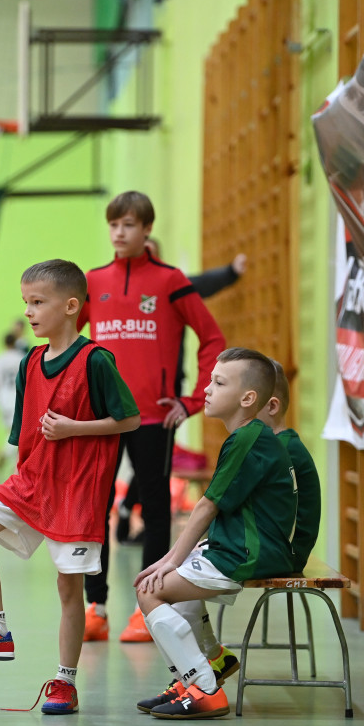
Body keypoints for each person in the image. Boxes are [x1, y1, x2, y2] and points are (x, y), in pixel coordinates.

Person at [0, 259, 140, 715]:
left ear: (70, 306)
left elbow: (129, 419)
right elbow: (24, 435)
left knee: (68, 591)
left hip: (76, 491)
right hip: (32, 482)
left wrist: (74, 428)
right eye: (26, 303)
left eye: (37, 302)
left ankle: (65, 682)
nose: (28, 312)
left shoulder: (96, 361)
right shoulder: (29, 362)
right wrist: (19, 479)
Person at [78, 191, 227, 643]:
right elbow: (67, 339)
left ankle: (148, 609)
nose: (119, 232)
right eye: (113, 224)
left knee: (156, 512)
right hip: (104, 420)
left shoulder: (169, 280)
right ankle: (96, 609)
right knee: (94, 511)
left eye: (128, 224)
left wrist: (192, 400)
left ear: (146, 230)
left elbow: (211, 337)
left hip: (152, 419)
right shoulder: (93, 281)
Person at [133, 347, 297, 718]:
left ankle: (204, 687)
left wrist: (169, 560)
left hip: (250, 553)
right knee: (179, 592)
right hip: (248, 547)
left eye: (219, 383)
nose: (206, 389)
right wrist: (175, 561)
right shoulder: (251, 436)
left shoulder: (247, 439)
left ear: (247, 398)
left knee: (149, 591)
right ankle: (204, 669)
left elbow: (207, 506)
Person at [115, 236, 247, 545]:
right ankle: (124, 512)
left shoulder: (172, 285)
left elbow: (201, 284)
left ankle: (133, 516)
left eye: (149, 251)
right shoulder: (117, 290)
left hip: (164, 399)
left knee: (152, 466)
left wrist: (230, 272)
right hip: (122, 398)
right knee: (137, 465)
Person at [256, 359, 321, 571]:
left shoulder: (282, 450)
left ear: (272, 406)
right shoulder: (276, 446)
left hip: (283, 555)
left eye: (248, 401)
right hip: (275, 549)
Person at [0, 331, 24, 471]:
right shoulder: (20, 358)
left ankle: (11, 457)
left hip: (2, 398)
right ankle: (7, 453)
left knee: (11, 430)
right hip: (16, 397)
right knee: (16, 431)